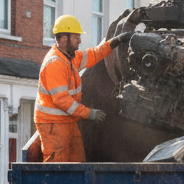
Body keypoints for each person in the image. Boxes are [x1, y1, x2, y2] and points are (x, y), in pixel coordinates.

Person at [34, 15, 131, 162]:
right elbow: (63, 100)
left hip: (68, 121)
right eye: (76, 37)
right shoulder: (55, 63)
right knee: (57, 164)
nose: (80, 40)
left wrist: (115, 41)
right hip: (53, 124)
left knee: (77, 161)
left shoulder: (70, 58)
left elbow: (94, 54)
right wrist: (89, 113)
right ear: (64, 39)